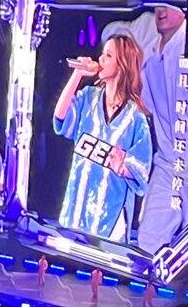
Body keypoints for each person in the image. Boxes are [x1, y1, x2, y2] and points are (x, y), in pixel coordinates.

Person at [54, 34, 152, 241]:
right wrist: (77, 75)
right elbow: (60, 117)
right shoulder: (88, 97)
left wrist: (123, 166)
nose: (100, 59)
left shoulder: (136, 118)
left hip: (111, 218)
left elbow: (142, 170)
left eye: (108, 55)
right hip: (75, 210)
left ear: (122, 64)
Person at [135, 6, 188, 253]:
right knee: (148, 239)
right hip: (168, 162)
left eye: (169, 5)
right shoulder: (150, 53)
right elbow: (147, 105)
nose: (162, 10)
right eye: (159, 3)